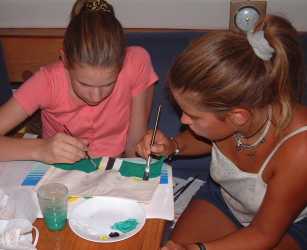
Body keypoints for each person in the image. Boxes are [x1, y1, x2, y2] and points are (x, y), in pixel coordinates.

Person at [136, 15, 307, 250]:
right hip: (227, 200)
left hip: (288, 225)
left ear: (238, 116)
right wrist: (173, 146)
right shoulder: (244, 111)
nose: (183, 120)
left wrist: (200, 249)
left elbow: (263, 234)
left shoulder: (300, 149)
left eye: (193, 116)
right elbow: (212, 139)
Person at [0, 0, 158, 164]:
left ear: (122, 63)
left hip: (112, 171)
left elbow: (134, 148)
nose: (96, 97)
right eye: (84, 84)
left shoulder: (136, 63)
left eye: (108, 84)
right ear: (65, 60)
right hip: (59, 172)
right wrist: (40, 149)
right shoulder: (47, 82)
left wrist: (144, 153)